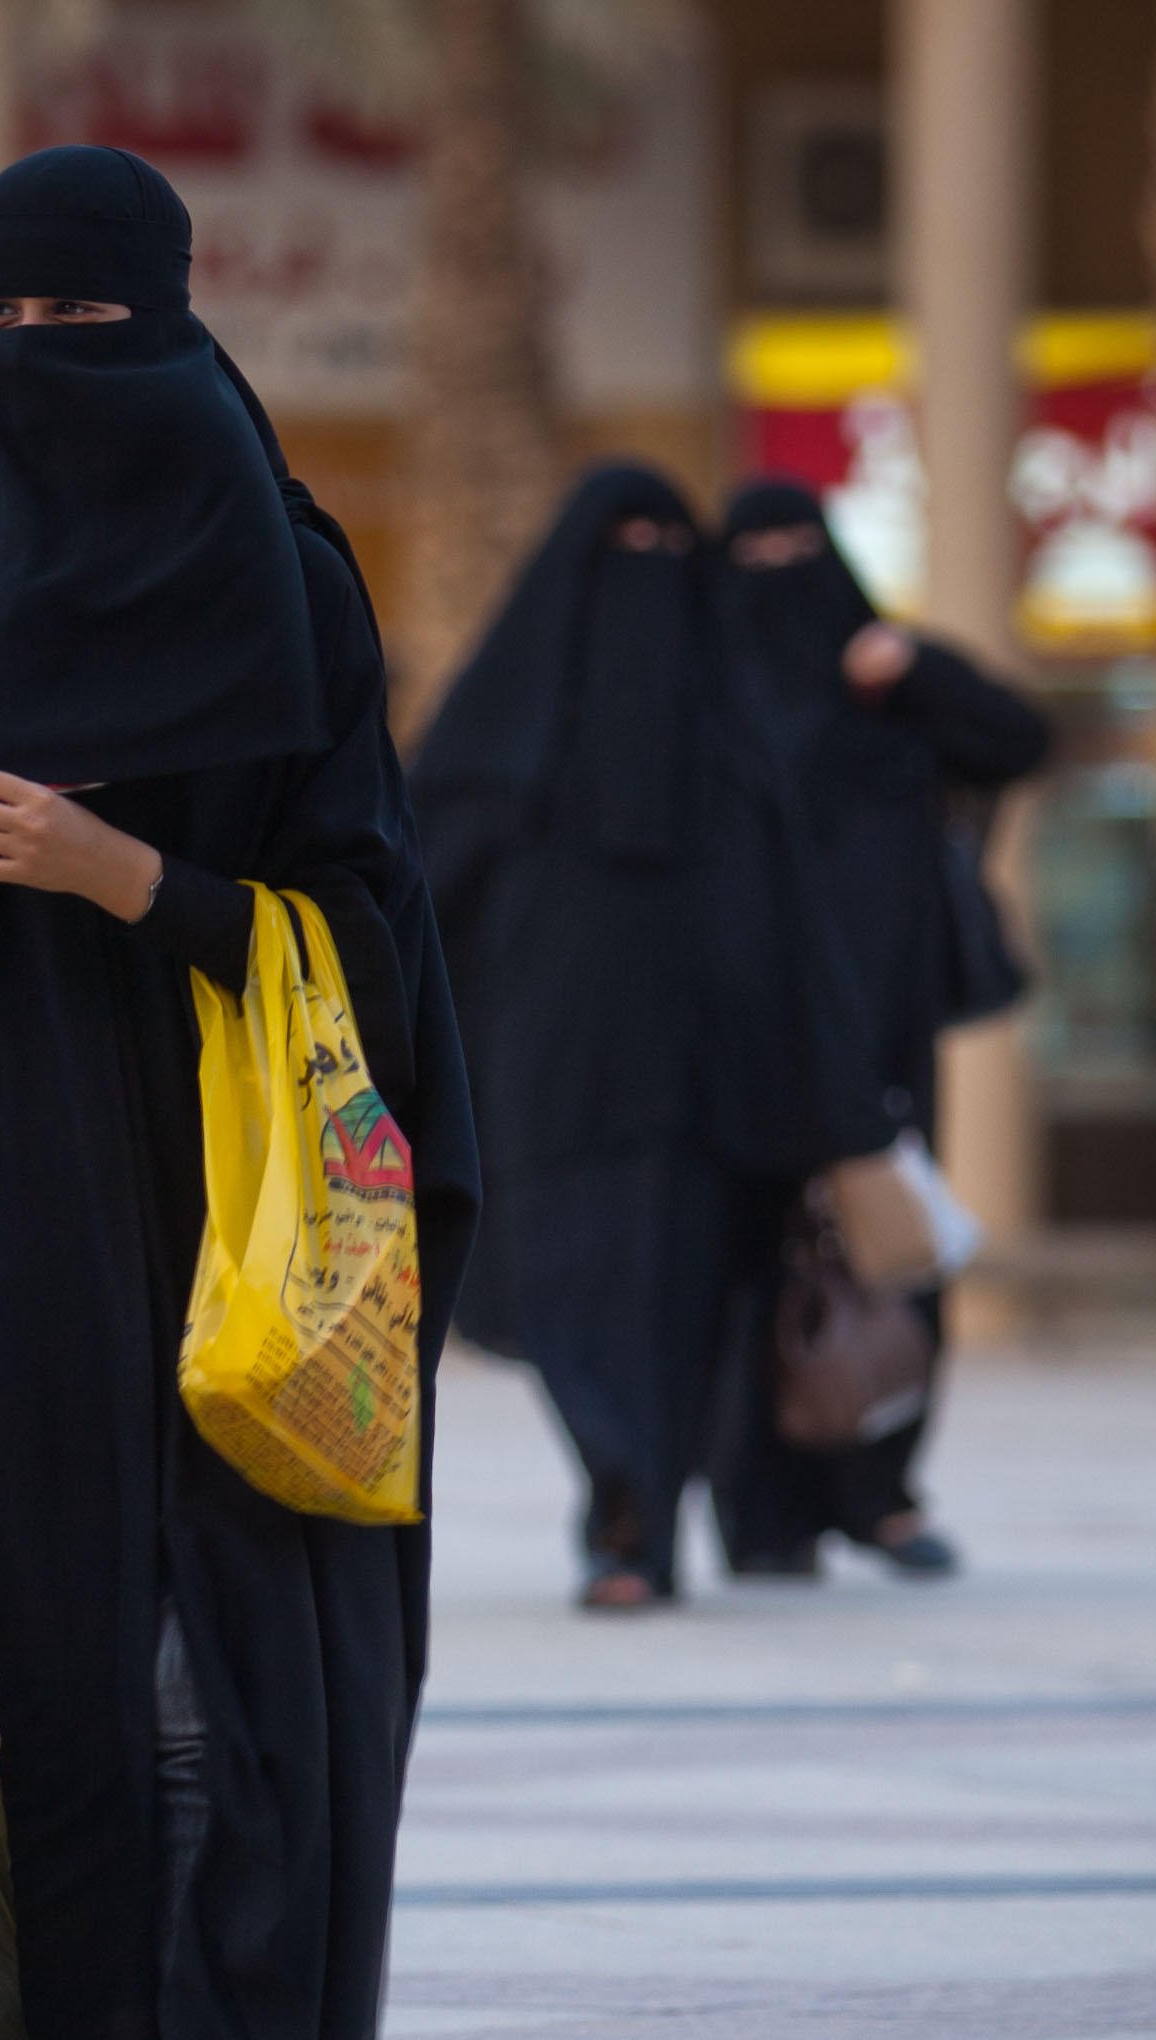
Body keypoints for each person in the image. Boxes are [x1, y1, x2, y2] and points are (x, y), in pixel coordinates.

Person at [0, 146, 476, 2040]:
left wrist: (133, 879)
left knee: (257, 1702)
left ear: (172, 319)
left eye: (83, 324)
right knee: (78, 1707)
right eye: (8, 327)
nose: (44, 361)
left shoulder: (287, 568)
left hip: (245, 1206)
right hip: (5, 1216)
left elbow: (373, 929)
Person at [409, 465, 743, 1610]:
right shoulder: (501, 731)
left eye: (668, 541)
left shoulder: (731, 719)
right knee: (570, 1299)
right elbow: (411, 890)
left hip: (707, 1086)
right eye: (622, 544)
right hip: (545, 1076)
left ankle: (645, 1501)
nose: (648, 569)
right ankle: (623, 1500)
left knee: (687, 1306)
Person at [706, 477, 1050, 1582]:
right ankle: (766, 1511)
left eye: (795, 547)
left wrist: (918, 670)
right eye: (748, 551)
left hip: (885, 1028)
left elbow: (1018, 738)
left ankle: (882, 1491)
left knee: (894, 1244)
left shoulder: (887, 691)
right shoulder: (709, 694)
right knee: (755, 1267)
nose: (775, 571)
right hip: (745, 1034)